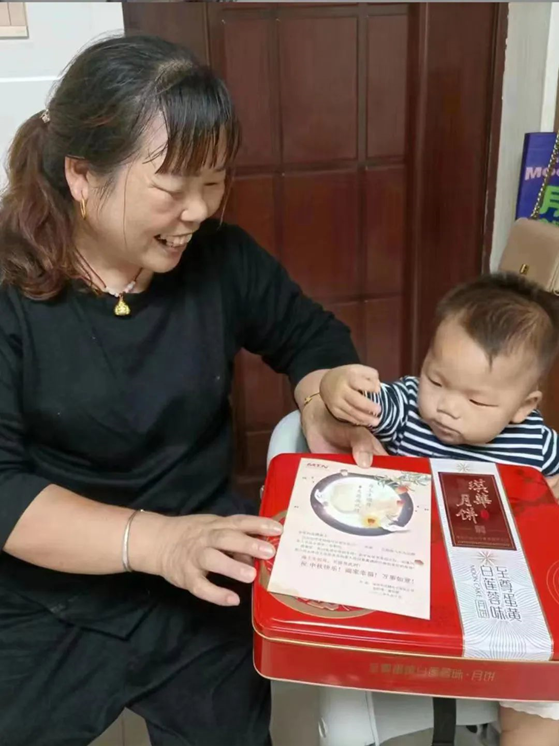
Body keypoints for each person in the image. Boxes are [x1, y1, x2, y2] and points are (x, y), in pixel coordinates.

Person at [0, 35, 383, 746]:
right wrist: (154, 540)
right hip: (50, 589)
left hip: (203, 566)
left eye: (214, 182)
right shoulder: (10, 291)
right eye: (173, 189)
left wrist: (321, 395)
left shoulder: (220, 259)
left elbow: (308, 335)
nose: (200, 211)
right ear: (82, 175)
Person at [320, 271, 559, 746]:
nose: (447, 407)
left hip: (495, 595)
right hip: (404, 584)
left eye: (476, 399)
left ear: (522, 405)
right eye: (436, 379)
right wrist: (334, 385)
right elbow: (351, 405)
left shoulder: (535, 443)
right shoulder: (408, 412)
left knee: (541, 701)